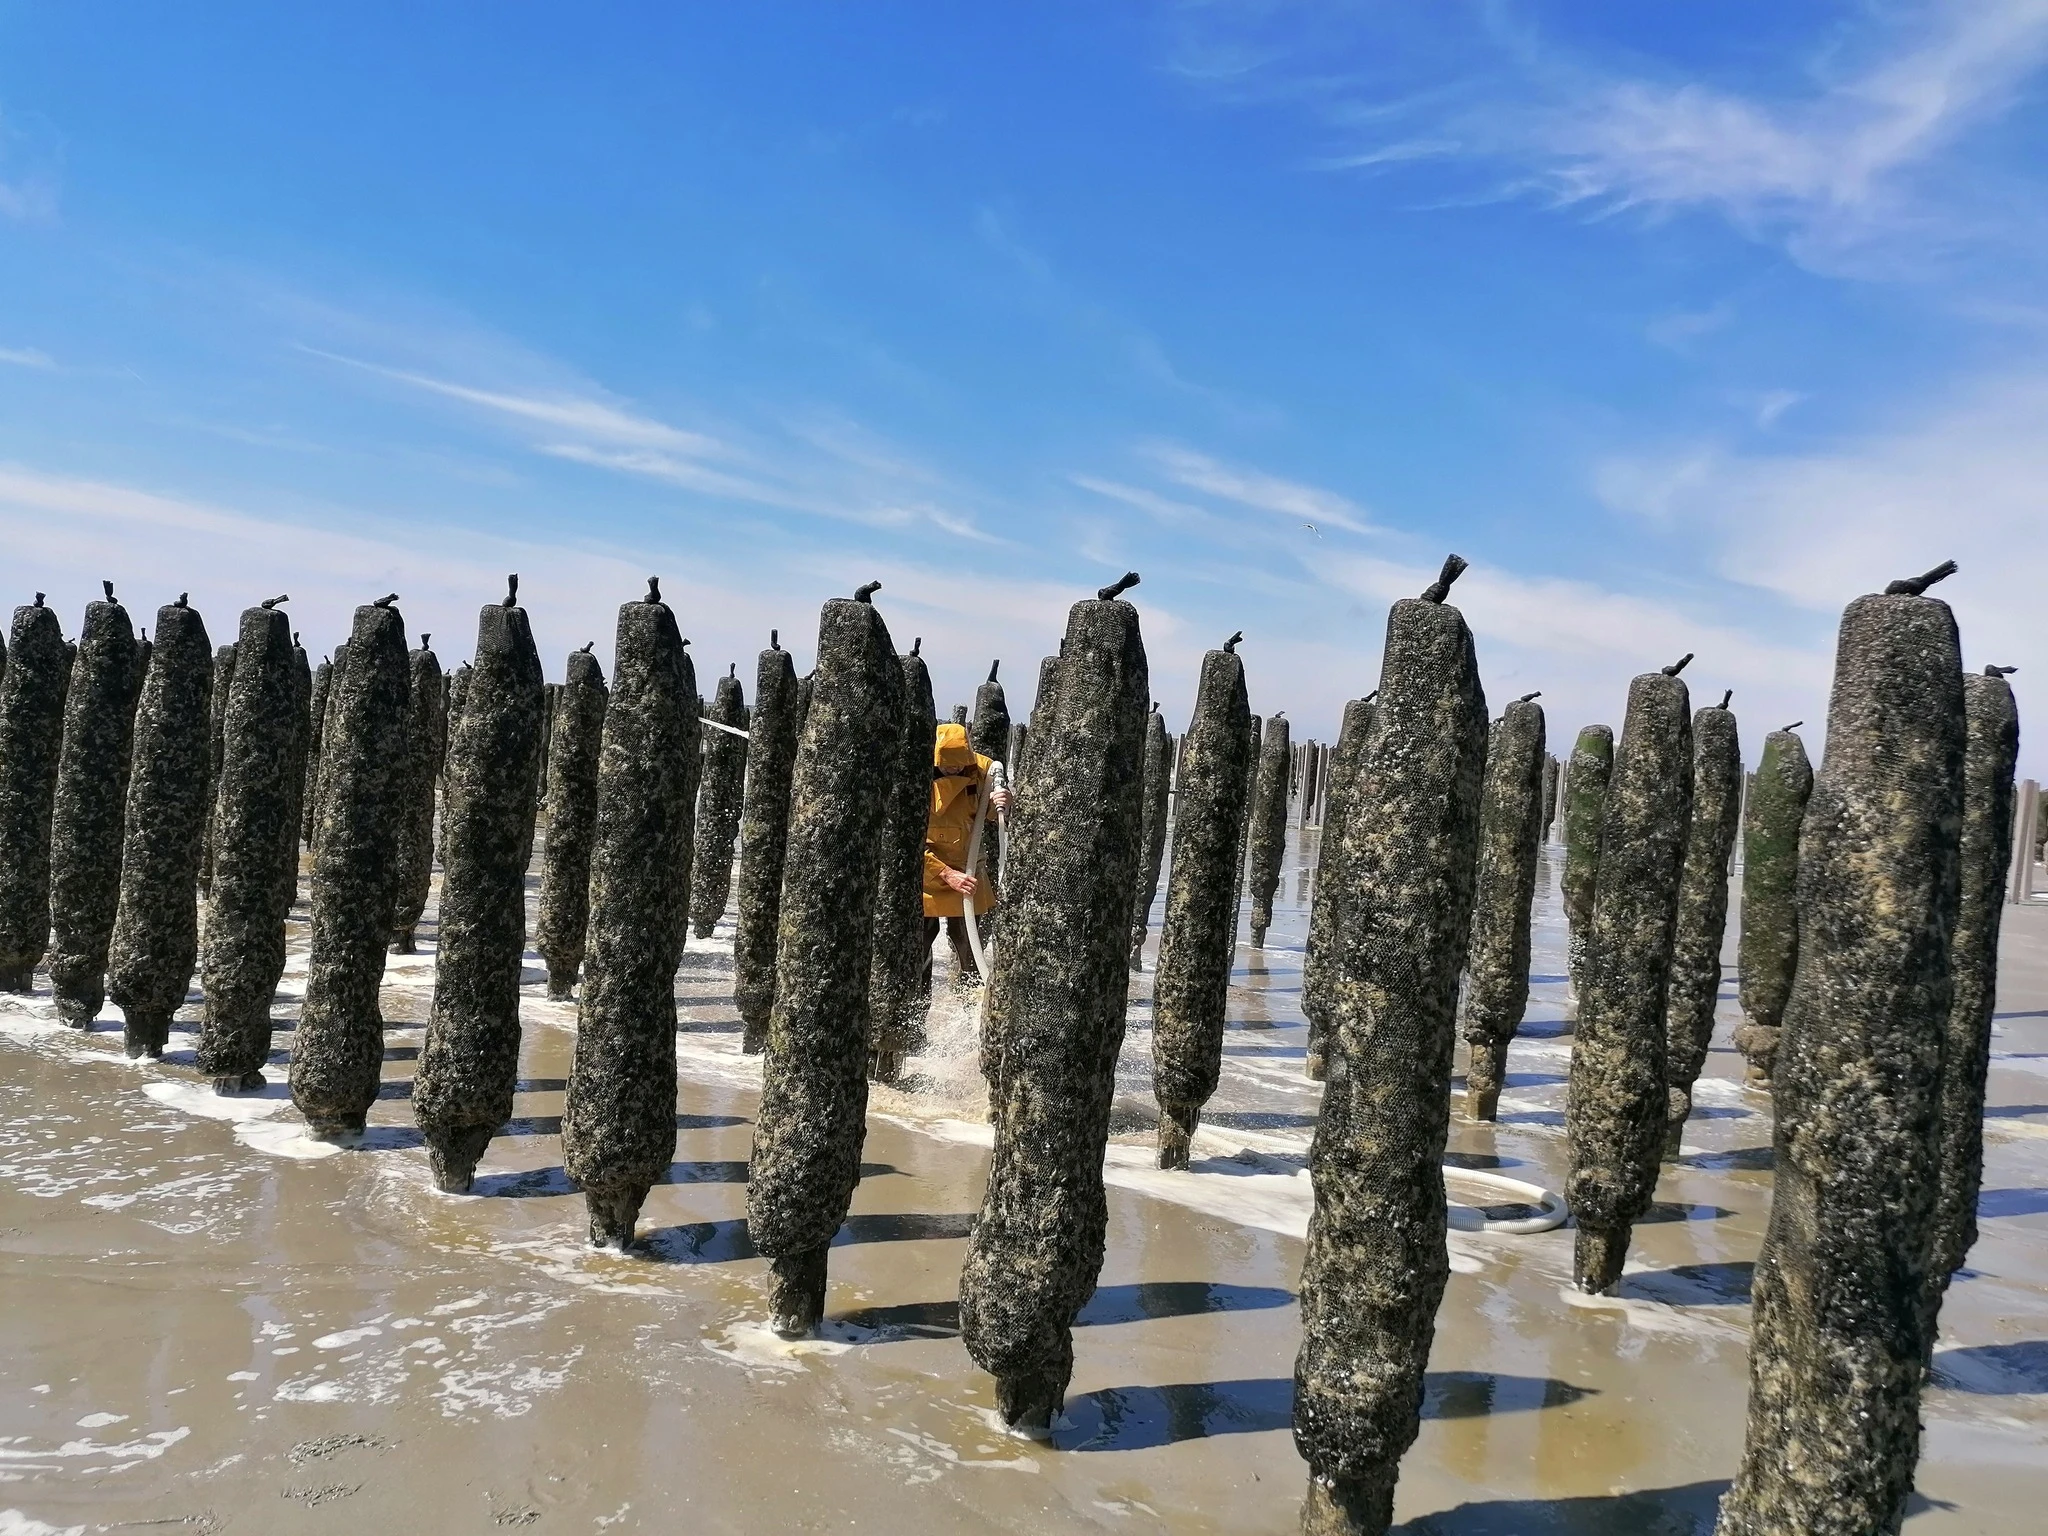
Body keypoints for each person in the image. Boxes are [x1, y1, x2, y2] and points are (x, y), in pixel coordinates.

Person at [923, 721, 1011, 987]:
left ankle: (970, 1008)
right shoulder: (916, 769)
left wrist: (1005, 801)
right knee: (918, 950)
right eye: (948, 766)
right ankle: (916, 1011)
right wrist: (946, 874)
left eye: (959, 765)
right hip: (927, 871)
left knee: (970, 948)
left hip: (968, 871)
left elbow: (993, 812)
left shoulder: (983, 769)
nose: (954, 770)